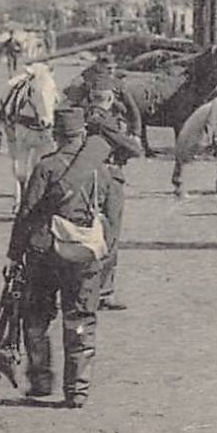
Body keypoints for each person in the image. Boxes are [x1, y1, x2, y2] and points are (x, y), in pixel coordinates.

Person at [9, 107, 112, 408]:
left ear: (56, 136)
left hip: (45, 255)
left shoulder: (46, 167)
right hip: (85, 256)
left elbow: (26, 213)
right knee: (80, 319)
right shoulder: (100, 169)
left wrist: (15, 253)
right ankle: (77, 390)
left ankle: (41, 380)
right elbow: (109, 213)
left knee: (37, 316)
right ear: (82, 135)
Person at [84, 89, 143, 312]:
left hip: (87, 176)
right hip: (109, 177)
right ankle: (103, 293)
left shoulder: (81, 116)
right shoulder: (105, 122)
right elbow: (134, 149)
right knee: (110, 233)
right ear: (109, 99)